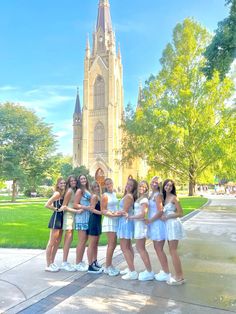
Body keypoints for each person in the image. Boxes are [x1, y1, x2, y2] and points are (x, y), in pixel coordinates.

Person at [128, 180, 154, 281]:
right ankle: (149, 270)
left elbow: (143, 214)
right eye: (140, 186)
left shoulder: (144, 200)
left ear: (146, 188)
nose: (141, 188)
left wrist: (131, 217)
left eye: (144, 187)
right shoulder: (140, 198)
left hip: (140, 225)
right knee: (140, 248)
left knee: (141, 249)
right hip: (138, 224)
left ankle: (149, 271)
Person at [161, 179, 185, 285]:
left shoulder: (174, 198)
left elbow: (181, 213)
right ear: (164, 186)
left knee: (173, 250)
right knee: (171, 251)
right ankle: (177, 275)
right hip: (167, 226)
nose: (168, 187)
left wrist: (169, 215)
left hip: (173, 224)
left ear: (172, 187)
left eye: (170, 186)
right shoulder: (164, 198)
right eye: (167, 185)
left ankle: (180, 276)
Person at [146, 176, 170, 282]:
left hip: (158, 224)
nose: (154, 184)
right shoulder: (152, 194)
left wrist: (150, 220)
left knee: (159, 249)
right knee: (157, 248)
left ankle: (167, 273)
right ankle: (164, 271)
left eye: (156, 183)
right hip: (154, 224)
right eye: (152, 182)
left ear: (159, 185)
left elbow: (160, 211)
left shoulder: (158, 195)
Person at [117, 178, 138, 280]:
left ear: (134, 188)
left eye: (131, 185)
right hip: (126, 222)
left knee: (124, 248)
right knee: (128, 247)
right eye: (127, 184)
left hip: (125, 222)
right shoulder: (127, 195)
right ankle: (131, 268)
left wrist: (111, 213)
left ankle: (132, 271)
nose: (128, 186)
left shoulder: (129, 196)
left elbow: (123, 211)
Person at [45, 178, 66, 272]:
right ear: (57, 184)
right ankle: (48, 264)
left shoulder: (63, 194)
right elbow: (47, 205)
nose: (63, 184)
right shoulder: (57, 193)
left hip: (61, 219)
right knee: (51, 242)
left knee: (57, 242)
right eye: (61, 183)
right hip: (56, 219)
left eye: (64, 183)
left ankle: (52, 262)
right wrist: (58, 210)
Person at [101, 178, 121, 276]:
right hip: (109, 220)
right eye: (107, 184)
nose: (109, 185)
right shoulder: (105, 195)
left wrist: (117, 213)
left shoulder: (113, 194)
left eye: (110, 183)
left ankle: (110, 264)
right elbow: (103, 210)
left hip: (115, 219)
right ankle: (107, 266)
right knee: (111, 243)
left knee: (114, 244)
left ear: (113, 183)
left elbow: (115, 207)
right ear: (104, 186)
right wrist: (112, 215)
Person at [73, 174, 91, 271]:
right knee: (82, 240)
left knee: (85, 241)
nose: (83, 180)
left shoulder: (87, 190)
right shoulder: (79, 191)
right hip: (82, 217)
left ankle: (80, 261)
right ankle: (77, 263)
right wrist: (86, 207)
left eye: (84, 178)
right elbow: (75, 204)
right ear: (79, 181)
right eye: (81, 179)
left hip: (88, 217)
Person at [60, 175, 77, 272]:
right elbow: (64, 206)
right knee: (67, 240)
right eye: (71, 181)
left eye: (74, 180)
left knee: (69, 240)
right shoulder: (70, 191)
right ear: (69, 182)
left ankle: (65, 261)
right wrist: (76, 211)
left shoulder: (74, 190)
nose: (73, 182)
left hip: (72, 216)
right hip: (68, 216)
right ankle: (64, 262)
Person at [87, 181, 103, 274]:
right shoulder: (94, 196)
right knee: (91, 244)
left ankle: (95, 261)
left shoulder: (99, 196)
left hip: (98, 220)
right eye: (95, 187)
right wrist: (101, 212)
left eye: (98, 186)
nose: (97, 188)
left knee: (96, 244)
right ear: (92, 188)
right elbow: (92, 209)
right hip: (93, 220)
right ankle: (90, 266)